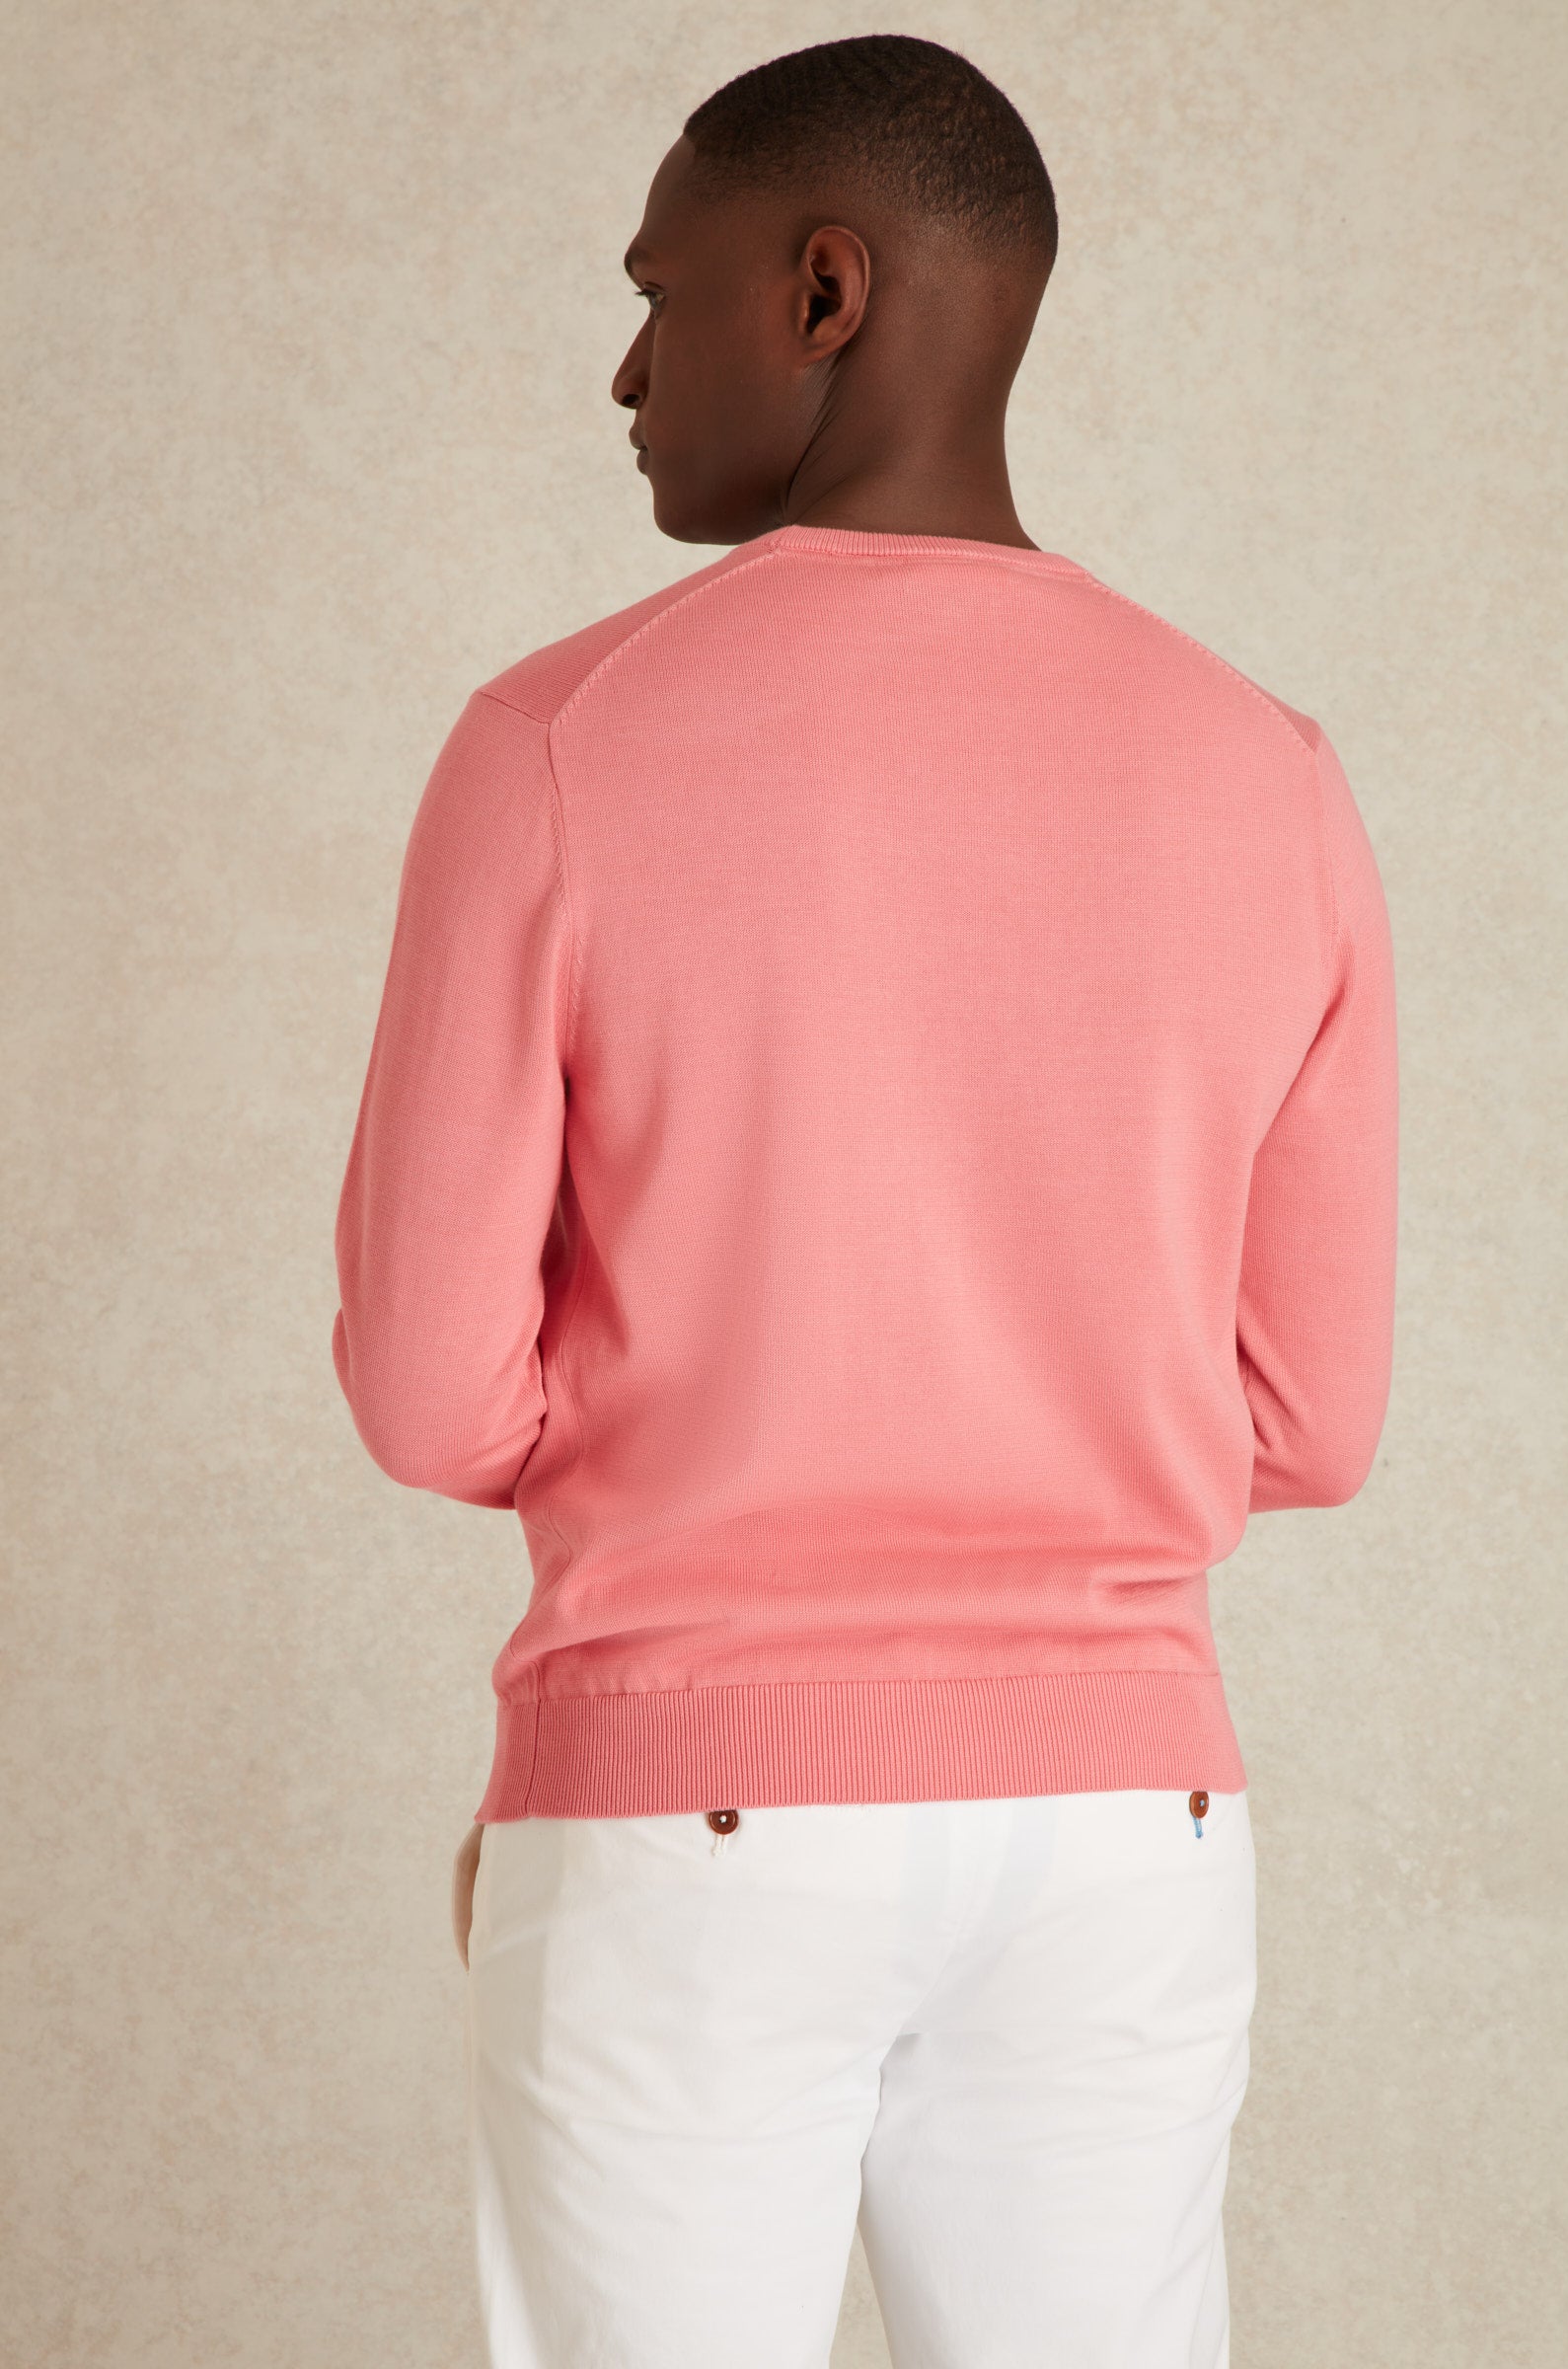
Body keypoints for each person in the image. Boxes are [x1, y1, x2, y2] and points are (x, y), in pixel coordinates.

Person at [331, 33, 1397, 2369]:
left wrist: (726, 1440)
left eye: (658, 293)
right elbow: (1311, 1427)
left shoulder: (554, 744)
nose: (625, 371)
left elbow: (425, 1396)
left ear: (824, 290)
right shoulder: (1268, 769)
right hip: (1124, 1819)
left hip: (686, 1811)